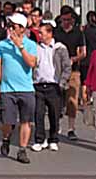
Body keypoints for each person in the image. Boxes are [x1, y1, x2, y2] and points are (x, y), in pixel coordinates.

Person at [0, 13, 38, 164]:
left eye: (14, 26)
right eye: (9, 26)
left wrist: (20, 46)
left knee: (26, 121)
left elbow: (32, 63)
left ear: (22, 28)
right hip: (7, 89)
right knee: (7, 121)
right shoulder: (2, 44)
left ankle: (22, 149)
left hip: (26, 89)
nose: (10, 29)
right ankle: (6, 138)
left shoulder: (31, 44)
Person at [31, 23, 71, 152]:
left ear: (49, 34)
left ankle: (53, 139)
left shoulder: (60, 48)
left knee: (54, 114)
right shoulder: (36, 48)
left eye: (42, 33)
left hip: (54, 85)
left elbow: (66, 66)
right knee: (38, 113)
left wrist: (62, 82)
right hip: (38, 85)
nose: (40, 35)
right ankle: (39, 139)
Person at [54, 7, 86, 141]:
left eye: (69, 19)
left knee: (72, 100)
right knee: (56, 99)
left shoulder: (78, 33)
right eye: (64, 19)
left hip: (74, 71)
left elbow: (83, 53)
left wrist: (73, 59)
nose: (67, 22)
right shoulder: (56, 32)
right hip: (57, 71)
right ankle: (57, 126)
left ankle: (71, 128)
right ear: (60, 18)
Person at [81, 11, 96, 102]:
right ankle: (93, 97)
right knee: (95, 79)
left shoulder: (84, 31)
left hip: (85, 59)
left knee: (85, 80)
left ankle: (85, 99)